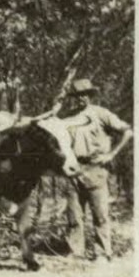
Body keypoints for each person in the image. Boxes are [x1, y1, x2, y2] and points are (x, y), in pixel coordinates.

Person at [57, 79, 133, 261]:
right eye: (77, 95)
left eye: (85, 94)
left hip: (96, 168)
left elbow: (128, 131)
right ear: (73, 98)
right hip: (74, 168)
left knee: (100, 214)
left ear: (90, 95)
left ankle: (102, 252)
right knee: (74, 215)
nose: (81, 98)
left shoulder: (101, 114)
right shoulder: (68, 117)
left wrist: (112, 154)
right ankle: (76, 252)